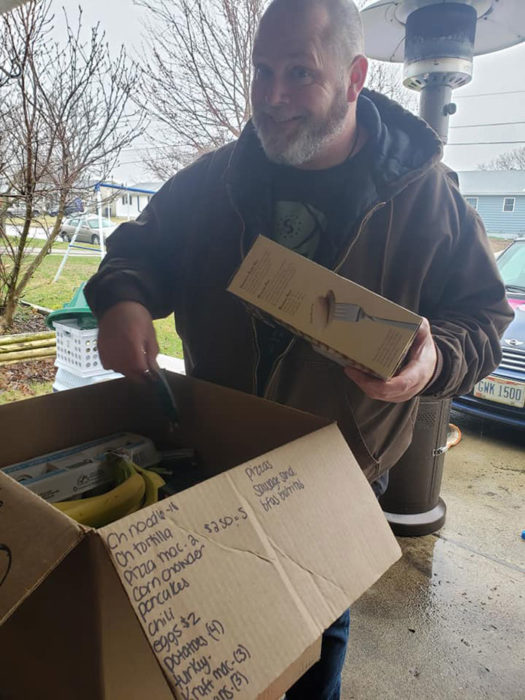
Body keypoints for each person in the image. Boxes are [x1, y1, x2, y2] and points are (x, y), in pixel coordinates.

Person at [85, 0, 513, 697]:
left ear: (353, 78)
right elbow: (138, 250)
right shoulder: (214, 180)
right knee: (218, 622)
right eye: (261, 71)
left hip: (339, 464)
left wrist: (431, 364)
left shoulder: (424, 196)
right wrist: (125, 299)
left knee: (316, 633)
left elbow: (482, 317)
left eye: (297, 73)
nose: (273, 95)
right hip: (219, 445)